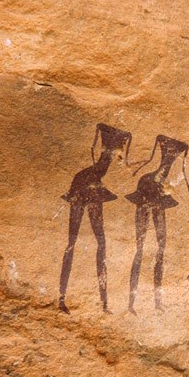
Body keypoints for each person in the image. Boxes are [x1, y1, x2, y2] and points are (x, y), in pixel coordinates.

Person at [58, 123, 131, 313]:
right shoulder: (92, 171)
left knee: (99, 243)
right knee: (73, 242)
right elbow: (101, 164)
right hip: (83, 187)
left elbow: (101, 166)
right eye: (115, 152)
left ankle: (103, 302)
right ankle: (62, 298)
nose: (115, 157)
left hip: (92, 186)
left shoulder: (98, 170)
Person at [126, 135, 189, 312]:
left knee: (161, 249)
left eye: (173, 157)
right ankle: (131, 304)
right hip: (147, 198)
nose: (170, 162)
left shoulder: (163, 182)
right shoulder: (147, 180)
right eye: (170, 156)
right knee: (140, 249)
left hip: (157, 199)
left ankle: (157, 303)